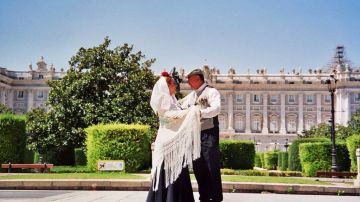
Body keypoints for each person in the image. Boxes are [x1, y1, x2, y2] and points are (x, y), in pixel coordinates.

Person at [146, 71, 201, 202]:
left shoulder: (173, 99)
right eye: (173, 85)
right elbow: (165, 118)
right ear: (167, 86)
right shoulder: (163, 100)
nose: (175, 87)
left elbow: (173, 115)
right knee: (168, 171)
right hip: (167, 142)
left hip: (174, 142)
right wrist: (189, 112)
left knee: (178, 171)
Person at [181, 69, 223, 202]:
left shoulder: (211, 91)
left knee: (211, 166)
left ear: (198, 79)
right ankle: (203, 197)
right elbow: (180, 106)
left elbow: (216, 109)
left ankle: (215, 198)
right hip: (195, 135)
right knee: (198, 167)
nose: (188, 82)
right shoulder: (192, 95)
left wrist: (199, 113)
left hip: (209, 133)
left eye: (190, 79)